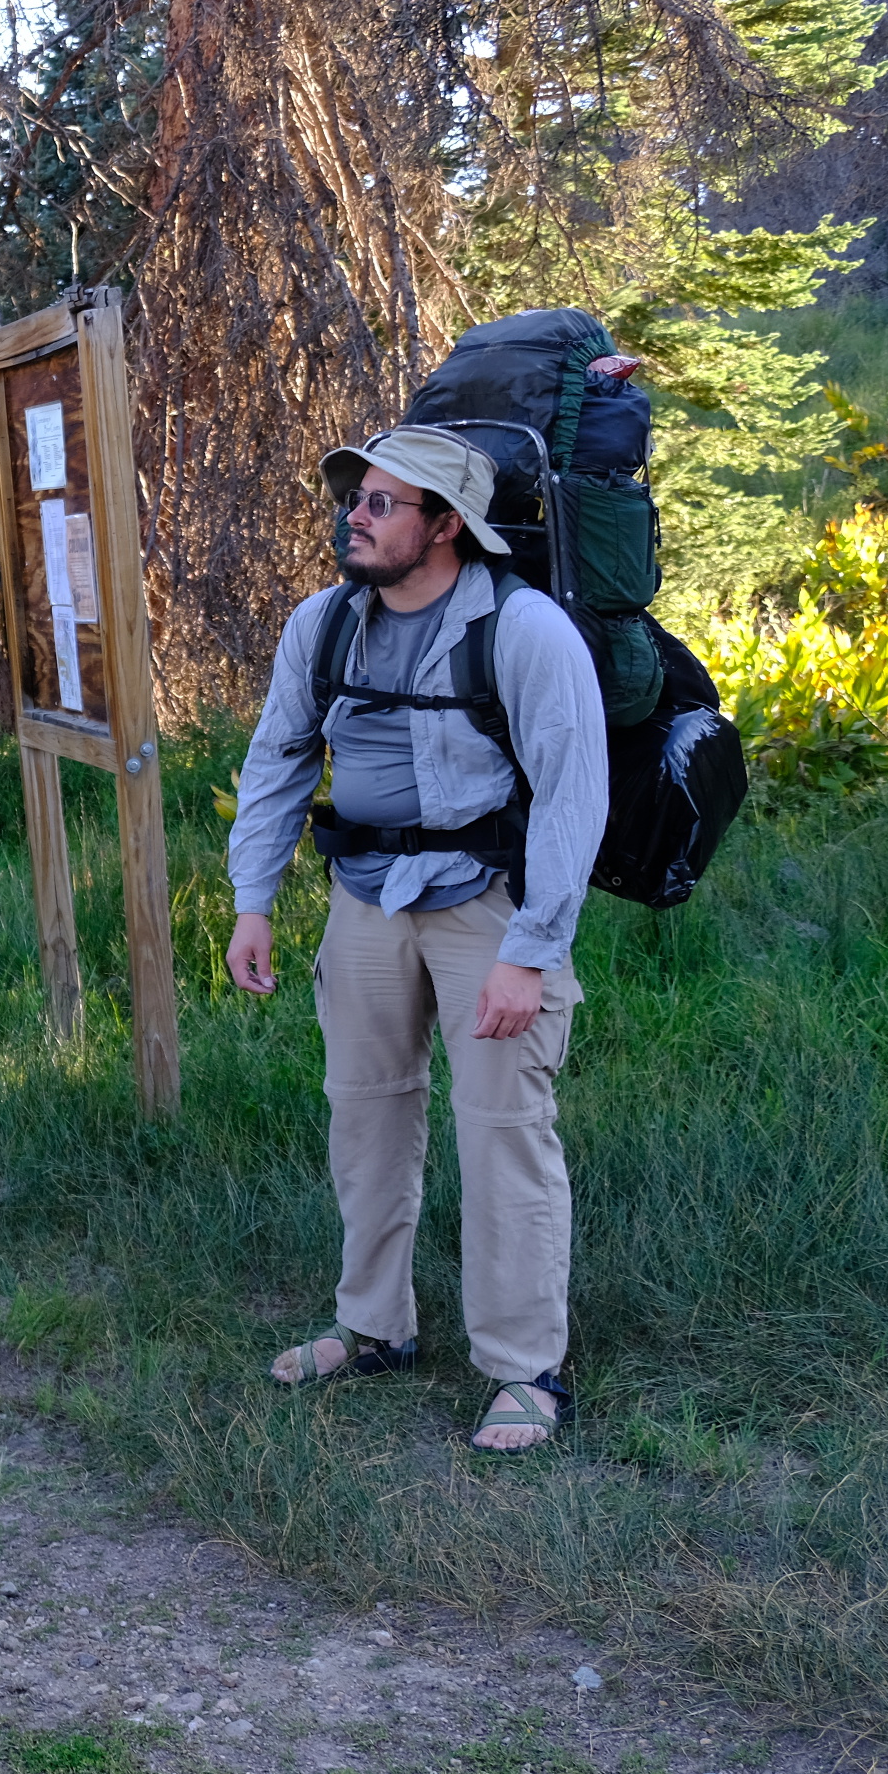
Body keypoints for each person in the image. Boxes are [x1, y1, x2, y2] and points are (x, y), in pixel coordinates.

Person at [222, 425, 607, 1453]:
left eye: (386, 501)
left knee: (503, 1132)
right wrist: (252, 898)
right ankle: (374, 1327)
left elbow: (575, 798)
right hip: (365, 899)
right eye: (358, 496)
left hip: (489, 905)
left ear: (447, 526)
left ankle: (526, 1366)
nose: (357, 512)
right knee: (365, 1118)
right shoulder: (325, 623)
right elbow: (278, 759)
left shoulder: (522, 630)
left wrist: (531, 950)